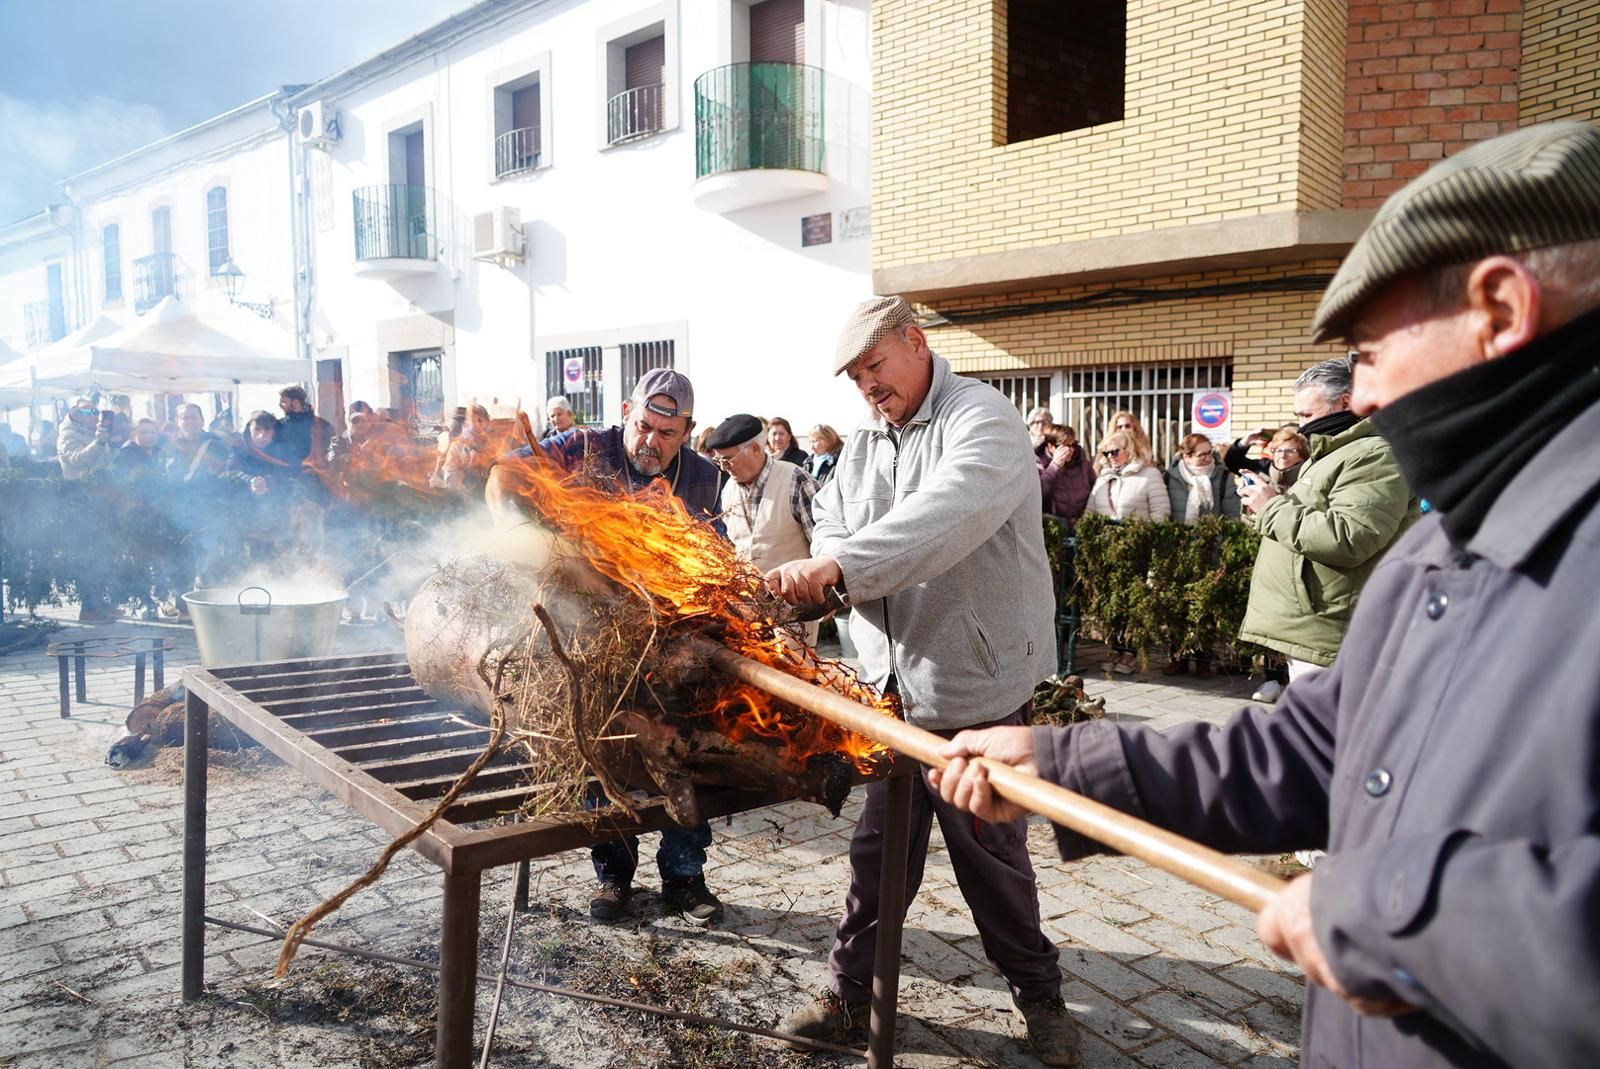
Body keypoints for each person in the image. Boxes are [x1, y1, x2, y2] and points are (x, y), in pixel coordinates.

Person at [932, 121, 1600, 1069]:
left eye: (1369, 349)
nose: (1360, 396)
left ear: (1499, 306)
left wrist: (1397, 909)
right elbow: (1311, 748)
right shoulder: (1439, 550)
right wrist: (1065, 767)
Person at [764, 296, 1078, 1065]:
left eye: (876, 366)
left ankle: (1040, 996)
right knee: (877, 856)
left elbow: (944, 517)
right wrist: (830, 559)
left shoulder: (984, 419)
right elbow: (834, 516)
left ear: (916, 342)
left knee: (992, 855)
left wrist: (842, 567)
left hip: (976, 684)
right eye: (856, 377)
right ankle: (848, 997)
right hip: (890, 692)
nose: (868, 387)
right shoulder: (868, 439)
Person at [519, 368, 726, 926]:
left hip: (671, 647)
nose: (651, 442)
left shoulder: (704, 478)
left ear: (687, 432)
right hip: (595, 642)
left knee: (680, 759)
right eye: (643, 426)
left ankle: (685, 877)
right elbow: (505, 472)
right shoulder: (585, 446)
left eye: (666, 433)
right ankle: (614, 877)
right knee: (605, 759)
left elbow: (716, 556)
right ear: (626, 411)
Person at [1237, 357, 1416, 705]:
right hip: (1314, 627)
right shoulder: (1332, 452)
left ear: (1346, 403)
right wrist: (1262, 507)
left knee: (1324, 741)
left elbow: (1351, 537)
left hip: (1331, 632)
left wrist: (1272, 507)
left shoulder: (1374, 455)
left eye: (1306, 414)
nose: (1300, 426)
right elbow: (1307, 518)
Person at [706, 414, 822, 647]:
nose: (724, 467)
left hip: (795, 619)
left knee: (797, 679)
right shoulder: (728, 491)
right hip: (747, 621)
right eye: (719, 462)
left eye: (728, 459)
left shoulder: (795, 480)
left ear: (756, 448)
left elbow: (824, 543)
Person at [1085, 430, 1171, 520]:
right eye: (1106, 453)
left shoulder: (1151, 475)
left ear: (1129, 450)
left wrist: (1143, 532)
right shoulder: (1102, 479)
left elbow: (1161, 512)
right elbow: (1089, 514)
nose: (1110, 456)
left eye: (1115, 452)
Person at [1164, 434, 1241, 523]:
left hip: (1214, 536)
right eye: (1202, 455)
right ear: (1186, 457)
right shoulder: (1169, 477)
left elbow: (1233, 514)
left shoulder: (1224, 477)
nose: (1208, 458)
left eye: (1209, 452)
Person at [1036, 424, 1093, 524]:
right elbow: (1038, 495)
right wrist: (1054, 466)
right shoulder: (1039, 462)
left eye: (1073, 445)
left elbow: (1093, 488)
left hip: (1081, 524)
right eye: (1064, 446)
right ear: (1051, 447)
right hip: (1054, 527)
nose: (1070, 450)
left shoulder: (1082, 462)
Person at [56, 397, 115, 483]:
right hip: (78, 489)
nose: (94, 416)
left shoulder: (94, 432)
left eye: (95, 412)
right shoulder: (67, 436)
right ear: (75, 415)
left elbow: (105, 460)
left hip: (99, 486)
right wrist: (99, 442)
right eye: (87, 412)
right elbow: (78, 460)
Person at [274, 385, 333, 468]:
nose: (280, 406)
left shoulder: (322, 425)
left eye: (284, 402)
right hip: (288, 473)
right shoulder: (280, 426)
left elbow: (330, 450)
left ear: (296, 402)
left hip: (316, 474)